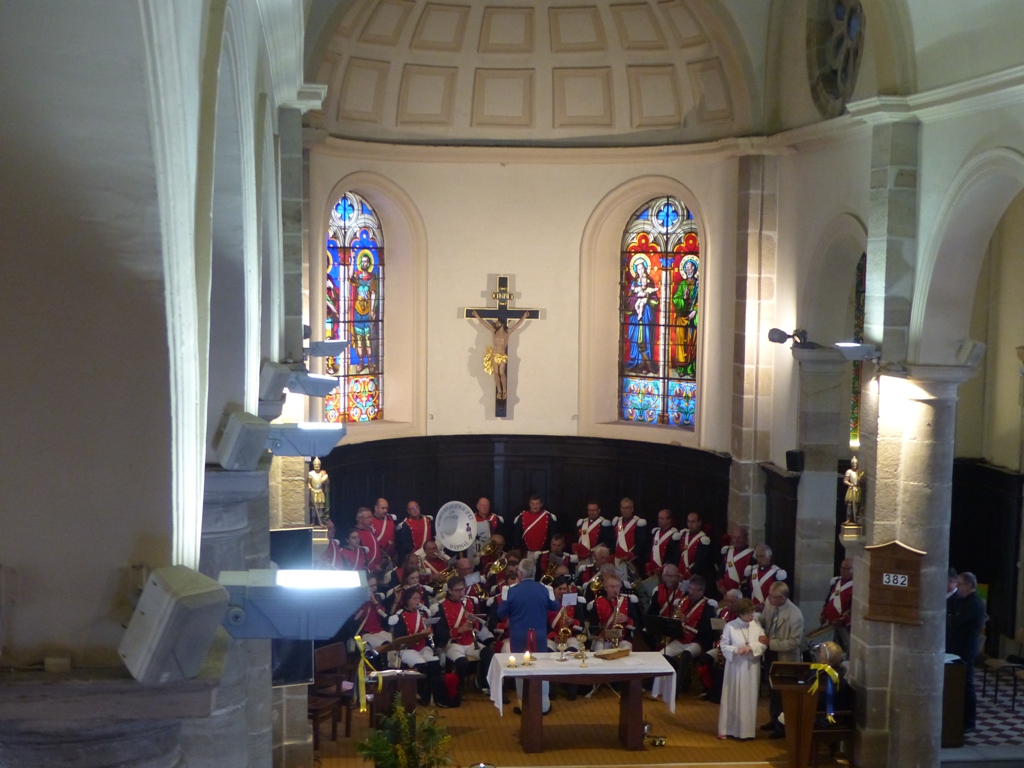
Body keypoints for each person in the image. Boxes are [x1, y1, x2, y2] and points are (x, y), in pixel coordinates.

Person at [496, 558, 559, 715]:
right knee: (542, 668)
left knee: (520, 669)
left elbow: (501, 613)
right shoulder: (545, 589)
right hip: (539, 635)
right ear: (534, 572)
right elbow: (555, 606)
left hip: (519, 635)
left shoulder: (511, 590)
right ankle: (544, 706)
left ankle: (524, 705)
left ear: (520, 573)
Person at [758, 582, 805, 738]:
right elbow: (763, 620)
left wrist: (770, 642)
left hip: (785, 658)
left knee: (783, 692)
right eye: (769, 595)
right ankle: (773, 718)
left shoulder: (795, 615)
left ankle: (782, 726)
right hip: (770, 653)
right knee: (772, 688)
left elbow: (794, 643)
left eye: (773, 597)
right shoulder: (770, 604)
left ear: (783, 598)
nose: (769, 599)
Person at [717, 598, 765, 740]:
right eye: (749, 613)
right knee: (731, 696)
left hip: (751, 666)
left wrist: (751, 647)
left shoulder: (756, 625)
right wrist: (736, 650)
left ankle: (746, 732)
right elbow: (723, 645)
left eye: (753, 612)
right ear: (740, 614)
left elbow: (763, 644)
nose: (752, 616)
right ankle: (727, 729)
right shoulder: (730, 626)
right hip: (735, 666)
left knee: (748, 697)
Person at [387, 587, 442, 705]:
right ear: (407, 600)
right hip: (407, 648)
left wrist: (428, 631)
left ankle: (431, 694)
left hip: (421, 646)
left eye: (419, 598)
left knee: (434, 662)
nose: (418, 601)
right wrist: (419, 634)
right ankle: (420, 694)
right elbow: (401, 639)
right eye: (415, 598)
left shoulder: (422, 613)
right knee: (421, 664)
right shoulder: (399, 616)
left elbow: (428, 630)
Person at [946, 571, 986, 731]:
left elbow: (955, 621)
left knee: (967, 684)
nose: (958, 587)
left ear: (969, 585)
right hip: (958, 647)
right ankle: (958, 718)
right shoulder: (963, 600)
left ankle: (969, 722)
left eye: (960, 584)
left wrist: (950, 617)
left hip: (966, 649)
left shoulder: (973, 602)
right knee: (959, 683)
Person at [664, 574, 715, 695]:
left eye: (693, 590)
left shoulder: (708, 606)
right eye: (690, 588)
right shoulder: (684, 601)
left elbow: (707, 629)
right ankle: (677, 676)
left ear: (701, 591)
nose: (690, 592)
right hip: (682, 638)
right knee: (662, 655)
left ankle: (678, 688)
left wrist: (687, 620)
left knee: (686, 654)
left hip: (698, 641)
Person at [472, 310, 529, 400]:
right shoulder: (494, 331)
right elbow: (483, 323)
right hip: (495, 354)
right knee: (496, 373)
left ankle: (504, 391)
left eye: (498, 322)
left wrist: (524, 317)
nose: (496, 323)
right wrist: (476, 315)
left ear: (502, 324)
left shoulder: (507, 332)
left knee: (501, 373)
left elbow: (517, 325)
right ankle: (499, 390)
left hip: (502, 356)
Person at [588, 572, 640, 652]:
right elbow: (592, 626)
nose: (615, 589)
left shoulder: (627, 601)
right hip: (604, 639)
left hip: (623, 639)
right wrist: (603, 634)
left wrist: (627, 619)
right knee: (599, 650)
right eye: (612, 586)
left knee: (626, 650)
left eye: (617, 586)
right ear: (606, 588)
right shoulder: (598, 603)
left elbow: (638, 623)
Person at [624, 255, 658, 374]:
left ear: (645, 268)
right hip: (635, 317)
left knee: (646, 338)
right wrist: (637, 297)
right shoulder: (633, 283)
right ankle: (637, 363)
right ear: (636, 270)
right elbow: (628, 300)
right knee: (635, 339)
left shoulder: (649, 282)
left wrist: (647, 298)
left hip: (647, 317)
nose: (641, 271)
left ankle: (646, 364)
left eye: (642, 268)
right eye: (638, 269)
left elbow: (655, 300)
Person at [349, 251, 378, 373]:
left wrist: (372, 310)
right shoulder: (358, 277)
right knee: (359, 340)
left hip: (366, 312)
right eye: (362, 261)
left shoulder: (372, 279)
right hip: (357, 312)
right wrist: (352, 260)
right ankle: (361, 362)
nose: (364, 263)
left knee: (368, 339)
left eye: (366, 261)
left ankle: (370, 362)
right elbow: (350, 277)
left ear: (369, 263)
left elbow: (373, 294)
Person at [816, 559, 853, 650]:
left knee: (846, 648)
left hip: (844, 625)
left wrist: (841, 619)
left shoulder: (855, 586)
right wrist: (824, 614)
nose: (843, 571)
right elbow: (829, 599)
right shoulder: (836, 582)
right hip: (831, 623)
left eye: (847, 569)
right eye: (842, 568)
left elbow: (853, 608)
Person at [671, 255, 699, 378]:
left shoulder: (698, 284)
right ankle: (681, 367)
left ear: (695, 269)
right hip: (682, 317)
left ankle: (691, 368)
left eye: (690, 267)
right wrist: (684, 298)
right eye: (687, 268)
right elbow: (675, 300)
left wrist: (695, 311)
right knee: (681, 344)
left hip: (694, 318)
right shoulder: (682, 284)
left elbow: (702, 299)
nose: (688, 270)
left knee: (692, 342)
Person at [513, 494, 556, 560]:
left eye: (537, 504)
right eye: (532, 504)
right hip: (527, 553)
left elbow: (553, 535)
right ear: (529, 504)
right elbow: (517, 535)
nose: (535, 506)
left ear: (541, 504)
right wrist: (517, 551)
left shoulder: (549, 517)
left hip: (544, 552)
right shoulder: (522, 516)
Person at [718, 526, 755, 597]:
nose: (736, 540)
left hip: (742, 595)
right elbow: (721, 571)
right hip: (726, 594)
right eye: (734, 537)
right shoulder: (728, 551)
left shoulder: (752, 555)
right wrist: (721, 585)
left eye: (740, 537)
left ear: (746, 539)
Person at [677, 510, 712, 582]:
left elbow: (701, 562)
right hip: (680, 572)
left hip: (693, 576)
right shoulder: (684, 535)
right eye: (688, 521)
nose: (690, 524)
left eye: (693, 522)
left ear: (699, 523)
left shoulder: (703, 539)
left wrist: (686, 575)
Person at [647, 508, 681, 577]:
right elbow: (650, 551)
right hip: (652, 571)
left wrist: (661, 569)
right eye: (659, 518)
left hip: (665, 571)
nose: (659, 520)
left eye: (662, 518)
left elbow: (674, 556)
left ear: (669, 520)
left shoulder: (673, 535)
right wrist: (648, 567)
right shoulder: (656, 532)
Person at [370, 497, 398, 565]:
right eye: (383, 508)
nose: (385, 511)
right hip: (377, 558)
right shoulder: (370, 521)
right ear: (376, 508)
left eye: (386, 508)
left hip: (391, 557)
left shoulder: (390, 519)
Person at [307, 457, 329, 525]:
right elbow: (308, 482)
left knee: (320, 508)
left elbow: (326, 483)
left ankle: (320, 522)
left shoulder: (322, 473)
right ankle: (313, 522)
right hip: (313, 492)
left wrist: (325, 480)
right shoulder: (311, 473)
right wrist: (310, 487)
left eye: (318, 465)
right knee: (313, 508)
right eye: (315, 465)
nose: (317, 466)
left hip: (320, 492)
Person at [844, 456, 864, 523]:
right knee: (849, 504)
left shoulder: (859, 472)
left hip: (857, 489)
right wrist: (850, 484)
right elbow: (845, 480)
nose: (854, 465)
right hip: (851, 488)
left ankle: (855, 518)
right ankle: (848, 518)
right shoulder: (849, 471)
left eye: (855, 464)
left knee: (856, 504)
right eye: (853, 464)